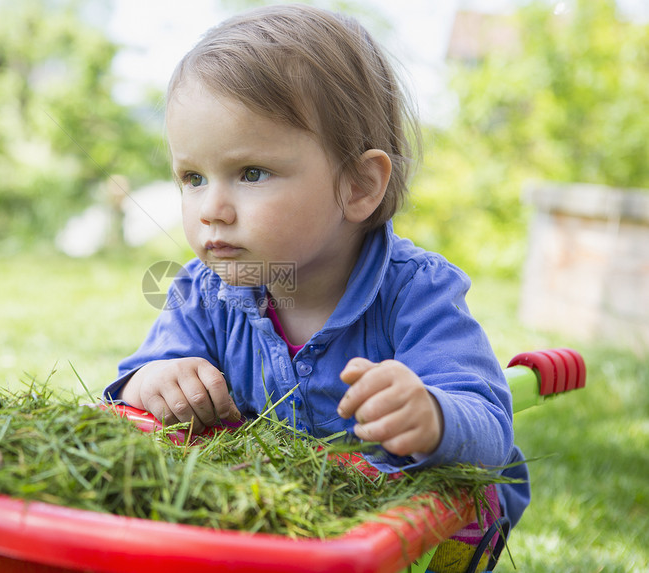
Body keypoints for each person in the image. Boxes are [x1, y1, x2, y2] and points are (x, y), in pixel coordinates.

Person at [103, 3, 528, 566]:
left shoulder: (416, 293)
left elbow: (489, 427)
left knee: (456, 513)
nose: (211, 209)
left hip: (401, 534)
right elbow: (137, 384)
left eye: (251, 173)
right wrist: (155, 380)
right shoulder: (203, 291)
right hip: (266, 520)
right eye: (193, 177)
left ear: (357, 185)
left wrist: (430, 416)